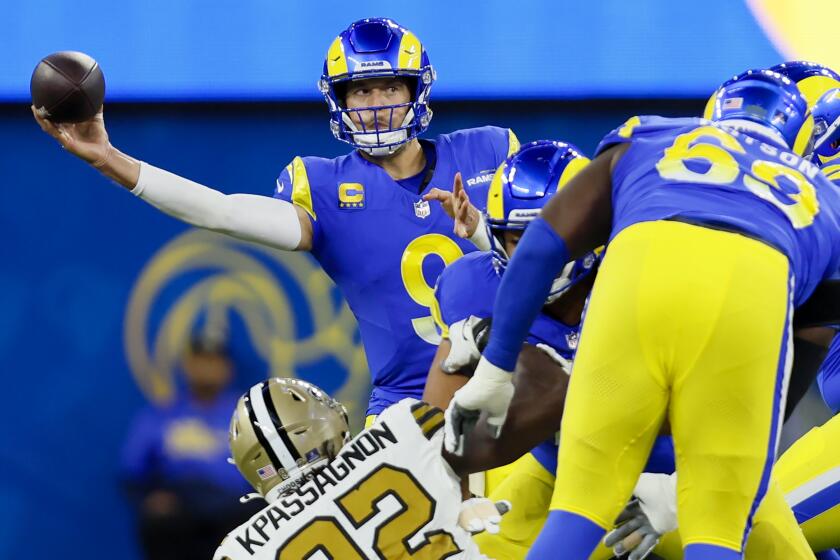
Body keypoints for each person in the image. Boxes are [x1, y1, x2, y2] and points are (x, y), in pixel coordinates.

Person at [32, 17, 518, 422]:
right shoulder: (323, 186)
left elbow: (561, 265)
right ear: (340, 102)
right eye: (361, 92)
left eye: (389, 86)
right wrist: (110, 158)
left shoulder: (490, 152)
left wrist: (481, 231)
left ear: (416, 89)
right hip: (406, 409)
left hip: (516, 377)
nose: (376, 107)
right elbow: (222, 212)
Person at [446, 69, 840, 560]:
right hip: (746, 304)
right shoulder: (824, 199)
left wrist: (496, 364)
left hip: (635, 294)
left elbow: (543, 244)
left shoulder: (652, 135)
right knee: (719, 525)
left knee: (578, 507)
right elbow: (808, 343)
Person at [121, 336, 259, 560]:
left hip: (235, 506)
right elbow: (132, 471)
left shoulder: (246, 412)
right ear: (186, 366)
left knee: (257, 513)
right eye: (199, 360)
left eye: (213, 361)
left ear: (228, 369)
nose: (206, 369)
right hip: (182, 507)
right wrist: (151, 496)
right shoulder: (160, 414)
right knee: (159, 519)